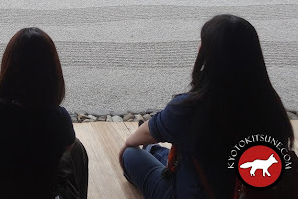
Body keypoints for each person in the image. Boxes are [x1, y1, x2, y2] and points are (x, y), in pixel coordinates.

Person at [119, 14, 294, 198]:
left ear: (209, 54)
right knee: (162, 148)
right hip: (245, 189)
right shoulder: (270, 104)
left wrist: (127, 145)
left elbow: (136, 138)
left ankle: (152, 148)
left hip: (192, 192)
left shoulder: (190, 107)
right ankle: (154, 148)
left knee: (131, 154)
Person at [0, 27, 88, 199]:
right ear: (53, 74)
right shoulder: (58, 120)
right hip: (40, 191)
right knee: (76, 148)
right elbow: (68, 147)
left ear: (7, 68)